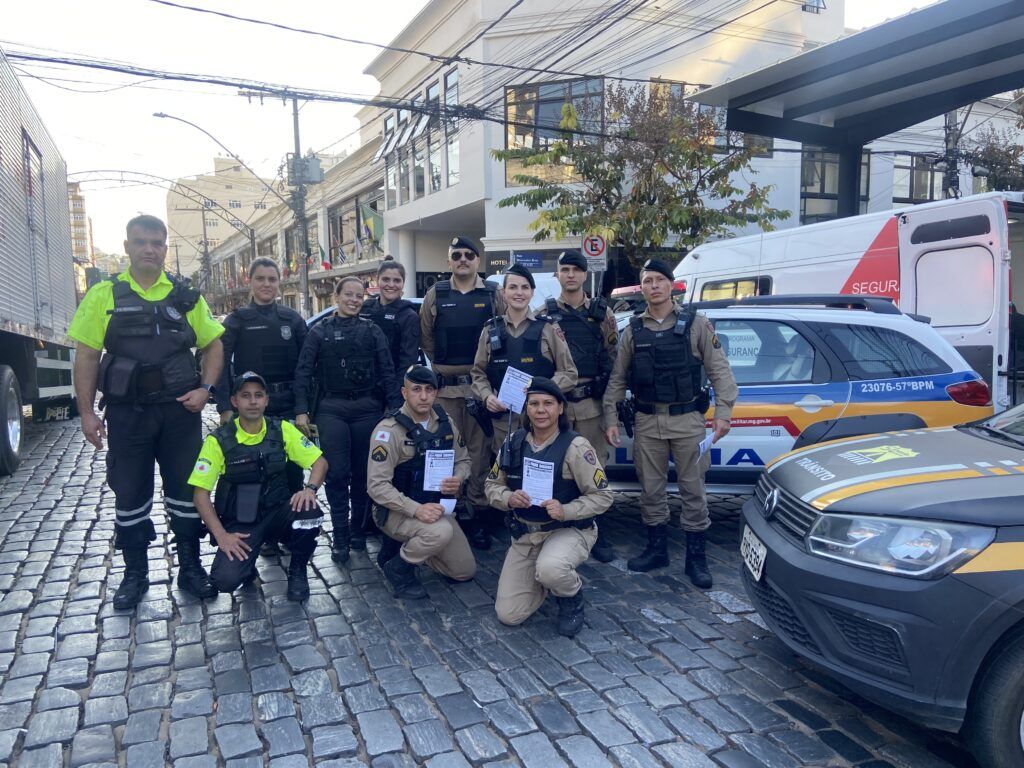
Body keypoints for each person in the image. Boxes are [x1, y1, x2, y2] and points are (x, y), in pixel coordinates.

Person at [70, 214, 224, 610]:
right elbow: (86, 356)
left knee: (186, 494)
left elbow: (214, 344)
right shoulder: (104, 294)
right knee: (130, 496)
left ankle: (191, 568)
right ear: (127, 247)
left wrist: (205, 390)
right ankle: (134, 574)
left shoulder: (185, 295)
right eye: (141, 242)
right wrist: (87, 413)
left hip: (179, 415)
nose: (149, 249)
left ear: (165, 248)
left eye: (157, 242)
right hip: (128, 415)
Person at [602, 259, 738, 588]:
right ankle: (657, 550)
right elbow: (618, 378)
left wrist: (723, 413)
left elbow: (720, 371)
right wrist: (610, 417)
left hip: (688, 420)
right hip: (647, 421)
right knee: (651, 491)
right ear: (642, 287)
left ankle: (696, 559)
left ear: (671, 285)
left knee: (693, 491)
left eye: (660, 280)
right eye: (648, 280)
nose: (654, 286)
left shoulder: (696, 324)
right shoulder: (633, 329)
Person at [486, 377, 613, 637]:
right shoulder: (513, 442)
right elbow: (491, 486)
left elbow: (603, 496)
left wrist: (566, 510)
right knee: (509, 615)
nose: (541, 410)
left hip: (565, 529)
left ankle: (570, 596)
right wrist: (508, 498)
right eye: (534, 404)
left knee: (551, 568)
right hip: (526, 534)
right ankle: (544, 578)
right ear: (526, 408)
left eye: (548, 403)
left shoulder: (576, 447)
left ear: (560, 408)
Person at [189, 372, 327, 601]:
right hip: (242, 524)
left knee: (310, 511)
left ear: (266, 400)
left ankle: (298, 570)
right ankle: (247, 567)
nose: (252, 401)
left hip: (278, 513)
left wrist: (310, 489)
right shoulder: (218, 440)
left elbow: (319, 462)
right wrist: (222, 535)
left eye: (258, 395)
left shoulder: (282, 429)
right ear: (235, 401)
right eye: (246, 396)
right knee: (225, 580)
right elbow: (200, 495)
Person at [294, 276, 401, 564]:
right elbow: (303, 372)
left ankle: (357, 531)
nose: (354, 300)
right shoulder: (319, 332)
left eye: (359, 296)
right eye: (348, 295)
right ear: (336, 298)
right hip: (332, 409)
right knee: (337, 474)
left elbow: (388, 372)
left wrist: (394, 407)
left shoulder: (373, 331)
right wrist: (301, 409)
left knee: (363, 475)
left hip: (367, 408)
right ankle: (340, 535)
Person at [216, 257, 307, 556]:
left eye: (272, 279)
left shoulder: (292, 320)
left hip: (287, 404)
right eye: (261, 279)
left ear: (279, 283)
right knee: (256, 472)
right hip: (252, 407)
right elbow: (220, 365)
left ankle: (292, 530)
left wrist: (302, 408)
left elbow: (306, 368)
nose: (267, 284)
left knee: (292, 471)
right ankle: (262, 536)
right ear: (250, 282)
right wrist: (224, 408)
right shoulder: (237, 320)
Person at [420, 236, 506, 550]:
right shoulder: (435, 295)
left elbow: (508, 329)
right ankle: (449, 515)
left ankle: (477, 516)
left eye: (469, 254)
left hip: (480, 389)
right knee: (444, 455)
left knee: (480, 455)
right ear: (449, 261)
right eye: (456, 254)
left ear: (477, 261)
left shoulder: (494, 294)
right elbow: (427, 338)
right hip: (445, 392)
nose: (463, 259)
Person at [366, 365, 476, 599]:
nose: (424, 396)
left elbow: (464, 460)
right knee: (440, 532)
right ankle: (399, 569)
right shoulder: (388, 432)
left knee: (463, 571)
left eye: (429, 389)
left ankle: (406, 548)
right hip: (396, 511)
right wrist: (416, 510)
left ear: (436, 393)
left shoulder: (445, 423)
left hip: (436, 509)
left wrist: (458, 477)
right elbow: (376, 486)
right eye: (416, 389)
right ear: (404, 393)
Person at [540, 250, 618, 563]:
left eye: (576, 270)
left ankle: (595, 529)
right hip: (556, 407)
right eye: (565, 269)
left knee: (594, 470)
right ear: (557, 275)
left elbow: (613, 360)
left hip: (590, 406)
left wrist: (611, 408)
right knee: (556, 469)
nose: (570, 275)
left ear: (585, 275)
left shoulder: (603, 314)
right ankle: (556, 526)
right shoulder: (544, 314)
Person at [471, 262, 578, 452]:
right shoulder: (490, 330)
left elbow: (569, 373)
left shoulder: (548, 328)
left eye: (524, 287)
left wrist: (541, 391)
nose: (519, 293)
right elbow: (478, 374)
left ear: (532, 292)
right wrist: (487, 397)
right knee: (506, 474)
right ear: (503, 293)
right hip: (505, 422)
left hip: (542, 420)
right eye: (513, 287)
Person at [360, 260, 422, 373]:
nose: (391, 285)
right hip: (362, 385)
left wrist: (394, 389)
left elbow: (407, 364)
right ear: (378, 280)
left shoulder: (408, 316)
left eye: (397, 280)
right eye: (386, 279)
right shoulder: (364, 309)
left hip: (390, 386)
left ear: (403, 283)